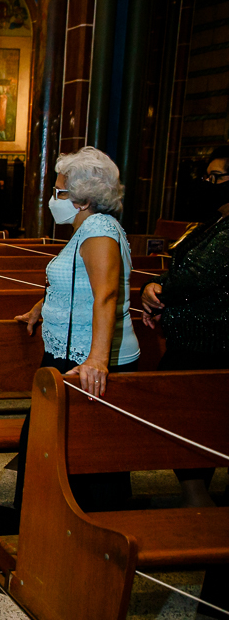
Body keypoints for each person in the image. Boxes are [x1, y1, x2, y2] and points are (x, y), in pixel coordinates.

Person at [13, 147, 140, 511]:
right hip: (71, 353)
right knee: (54, 446)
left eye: (60, 191)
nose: (55, 198)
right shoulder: (91, 228)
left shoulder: (98, 229)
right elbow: (76, 285)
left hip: (82, 362)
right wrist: (41, 308)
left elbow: (106, 293)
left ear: (82, 198)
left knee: (72, 455)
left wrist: (96, 360)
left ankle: (56, 535)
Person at [141, 145, 229, 507]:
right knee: (185, 427)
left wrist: (161, 294)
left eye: (216, 177)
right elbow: (180, 268)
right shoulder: (217, 222)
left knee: (186, 424)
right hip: (191, 342)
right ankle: (197, 497)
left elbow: (198, 276)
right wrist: (153, 288)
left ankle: (199, 502)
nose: (208, 184)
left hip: (211, 347)